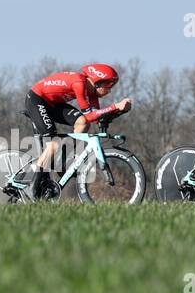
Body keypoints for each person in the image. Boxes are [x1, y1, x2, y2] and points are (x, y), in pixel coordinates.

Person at [23, 64, 130, 198]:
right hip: (37, 100)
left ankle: (64, 160)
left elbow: (95, 117)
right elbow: (90, 115)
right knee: (53, 144)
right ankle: (31, 189)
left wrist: (118, 111)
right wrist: (114, 106)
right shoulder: (79, 83)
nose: (109, 91)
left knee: (82, 123)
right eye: (109, 86)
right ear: (98, 82)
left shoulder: (91, 92)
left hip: (53, 104)